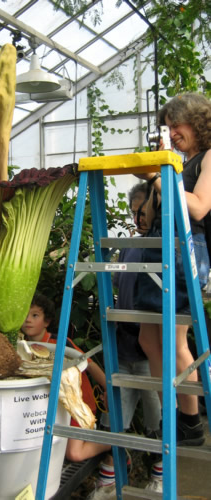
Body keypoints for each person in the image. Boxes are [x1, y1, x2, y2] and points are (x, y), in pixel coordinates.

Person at [134, 92, 211, 446]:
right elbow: (150, 218)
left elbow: (196, 208)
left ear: (196, 122)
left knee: (174, 340)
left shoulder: (208, 158)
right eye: (167, 127)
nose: (172, 132)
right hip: (161, 249)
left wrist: (158, 176)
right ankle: (173, 416)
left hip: (185, 252)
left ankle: (191, 422)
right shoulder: (177, 164)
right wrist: (151, 179)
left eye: (176, 124)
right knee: (149, 340)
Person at [90, 182, 162, 500]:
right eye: (134, 212)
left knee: (156, 421)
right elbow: (119, 288)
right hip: (123, 347)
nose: (138, 218)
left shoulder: (163, 245)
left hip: (150, 353)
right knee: (114, 419)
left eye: (143, 211)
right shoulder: (129, 246)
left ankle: (159, 478)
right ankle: (109, 480)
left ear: (157, 208)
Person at [22, 293, 111, 462]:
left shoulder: (61, 342)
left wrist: (109, 389)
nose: (28, 320)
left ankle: (110, 443)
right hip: (51, 410)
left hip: (78, 406)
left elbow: (89, 364)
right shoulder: (22, 346)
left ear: (46, 321)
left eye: (34, 315)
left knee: (74, 454)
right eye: (25, 315)